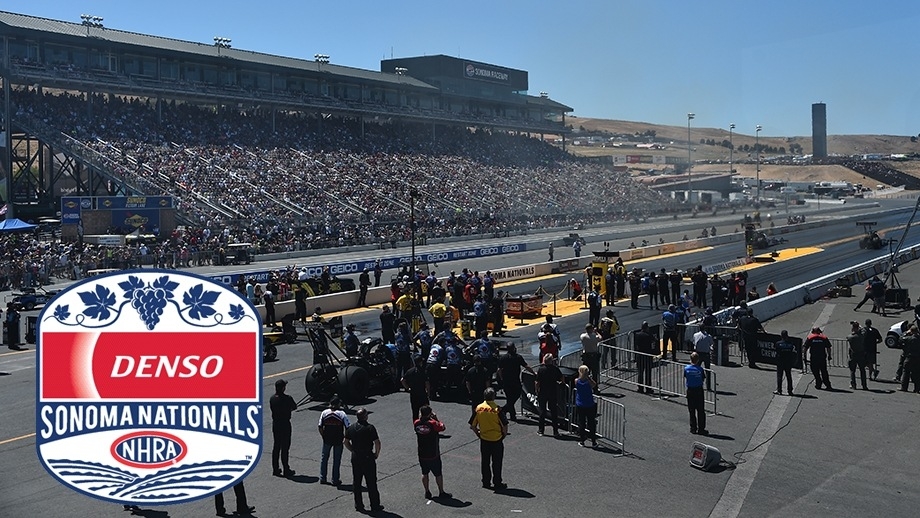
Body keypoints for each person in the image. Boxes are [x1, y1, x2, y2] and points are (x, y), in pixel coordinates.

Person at [344, 408, 383, 512]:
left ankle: (359, 505)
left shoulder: (351, 428)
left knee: (357, 481)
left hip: (356, 456)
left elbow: (346, 442)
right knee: (371, 482)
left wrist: (353, 450)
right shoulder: (370, 428)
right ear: (365, 416)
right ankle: (375, 505)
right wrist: (376, 453)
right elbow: (377, 442)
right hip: (367, 456)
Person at [470, 387, 508, 490]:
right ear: (494, 397)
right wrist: (504, 434)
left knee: (485, 462)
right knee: (497, 462)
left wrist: (478, 433)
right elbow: (504, 425)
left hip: (484, 439)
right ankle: (497, 482)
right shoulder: (497, 409)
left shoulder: (478, 408)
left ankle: (486, 482)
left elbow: (473, 425)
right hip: (496, 439)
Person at [414, 405, 451, 500]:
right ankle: (441, 492)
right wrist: (436, 418)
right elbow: (442, 427)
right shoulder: (433, 423)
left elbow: (419, 422)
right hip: (433, 453)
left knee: (424, 473)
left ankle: (427, 491)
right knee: (438, 473)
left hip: (422, 453)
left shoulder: (416, 423)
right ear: (429, 414)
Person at [496, 343, 533, 421]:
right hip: (515, 381)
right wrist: (533, 373)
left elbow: (499, 370)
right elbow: (526, 366)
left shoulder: (503, 358)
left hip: (507, 381)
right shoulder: (518, 357)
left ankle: (505, 410)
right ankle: (510, 414)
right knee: (513, 397)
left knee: (510, 398)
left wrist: (502, 378)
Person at [317, 396, 349, 485]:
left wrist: (323, 436)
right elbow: (347, 427)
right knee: (336, 460)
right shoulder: (342, 414)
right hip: (338, 439)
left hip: (327, 439)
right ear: (338, 404)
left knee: (324, 458)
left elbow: (320, 426)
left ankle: (322, 478)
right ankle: (335, 480)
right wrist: (346, 438)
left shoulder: (324, 413)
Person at [270, 379, 297, 477]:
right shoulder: (288, 398)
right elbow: (294, 407)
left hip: (276, 424)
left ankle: (275, 468)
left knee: (276, 446)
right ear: (283, 388)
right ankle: (286, 469)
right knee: (285, 447)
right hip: (285, 424)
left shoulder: (272, 398)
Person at [535, 354, 563, 437]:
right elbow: (561, 377)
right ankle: (555, 431)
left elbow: (537, 382)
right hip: (552, 392)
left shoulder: (541, 369)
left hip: (543, 392)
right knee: (554, 412)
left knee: (542, 411)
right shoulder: (555, 369)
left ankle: (541, 430)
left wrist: (537, 390)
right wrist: (562, 383)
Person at [574, 365, 598, 448]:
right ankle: (593, 441)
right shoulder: (589, 382)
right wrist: (589, 378)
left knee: (582, 423)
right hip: (589, 404)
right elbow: (594, 385)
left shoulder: (577, 381)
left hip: (580, 404)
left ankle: (582, 440)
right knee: (591, 423)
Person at [685, 352, 708, 435]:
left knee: (691, 410)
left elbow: (686, 376)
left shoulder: (686, 368)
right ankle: (701, 428)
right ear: (698, 360)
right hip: (698, 390)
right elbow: (703, 378)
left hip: (690, 390)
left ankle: (693, 428)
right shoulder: (700, 369)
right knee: (700, 410)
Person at [402, 355, 430, 421]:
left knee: (415, 412)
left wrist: (407, 388)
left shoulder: (410, 371)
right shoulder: (423, 371)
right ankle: (425, 425)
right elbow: (427, 384)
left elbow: (402, 380)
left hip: (413, 394)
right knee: (425, 411)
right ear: (420, 362)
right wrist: (428, 393)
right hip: (422, 393)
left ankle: (416, 426)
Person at [634, 322, 656, 394]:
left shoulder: (637, 335)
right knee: (648, 373)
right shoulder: (648, 335)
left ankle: (640, 388)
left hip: (640, 355)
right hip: (647, 355)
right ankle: (648, 388)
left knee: (640, 372)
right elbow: (654, 341)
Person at [847, 320, 869, 390]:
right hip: (861, 354)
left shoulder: (851, 337)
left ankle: (853, 384)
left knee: (852, 371)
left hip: (853, 355)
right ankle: (864, 385)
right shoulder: (861, 336)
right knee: (862, 370)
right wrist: (859, 325)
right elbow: (864, 331)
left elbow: (848, 337)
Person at [580, 324, 602, 392]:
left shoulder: (582, 336)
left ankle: (586, 387)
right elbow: (600, 338)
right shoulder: (594, 336)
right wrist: (596, 332)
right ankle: (595, 388)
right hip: (593, 356)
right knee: (594, 373)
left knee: (586, 373)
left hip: (586, 356)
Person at [774, 330, 796, 396]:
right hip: (788, 362)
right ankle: (790, 390)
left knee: (779, 376)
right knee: (789, 376)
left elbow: (776, 351)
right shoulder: (791, 344)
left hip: (780, 361)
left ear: (781, 336)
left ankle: (779, 390)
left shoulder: (778, 343)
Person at [691, 327, 714, 391]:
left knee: (696, 369)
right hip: (706, 354)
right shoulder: (708, 336)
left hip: (698, 353)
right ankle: (708, 386)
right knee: (708, 370)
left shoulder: (695, 335)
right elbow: (711, 343)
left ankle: (696, 384)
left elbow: (694, 342)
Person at [899, 325, 920, 392]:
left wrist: (906, 333)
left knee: (906, 372)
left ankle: (904, 387)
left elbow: (900, 339)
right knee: (916, 373)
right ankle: (917, 388)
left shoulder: (909, 338)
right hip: (918, 358)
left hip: (910, 357)